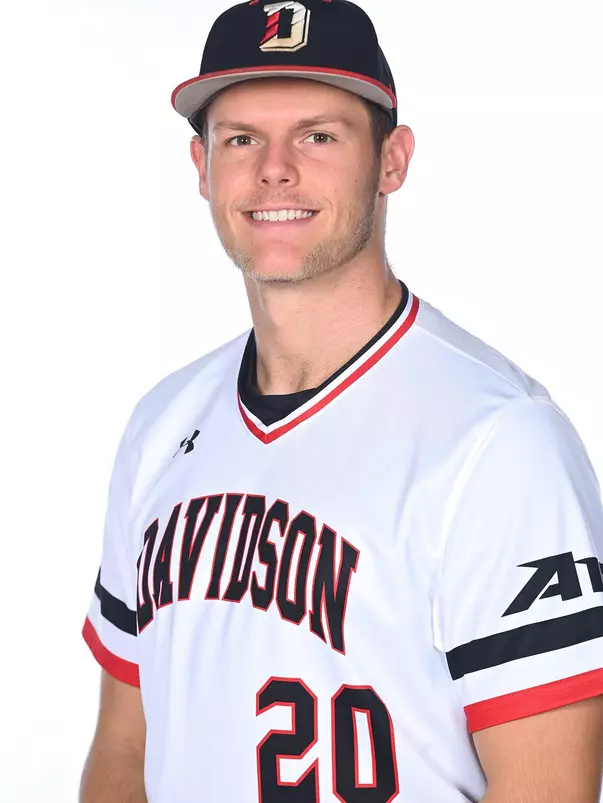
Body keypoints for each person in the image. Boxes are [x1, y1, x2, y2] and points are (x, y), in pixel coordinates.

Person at [79, 1, 603, 801]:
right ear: (201, 166)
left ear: (391, 161)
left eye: (318, 135)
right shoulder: (161, 423)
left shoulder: (498, 440)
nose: (274, 169)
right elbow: (122, 750)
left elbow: (549, 789)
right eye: (241, 138)